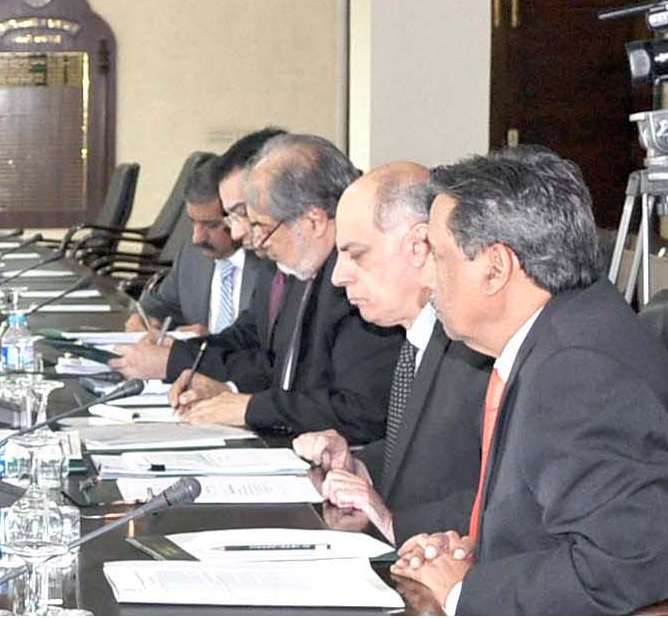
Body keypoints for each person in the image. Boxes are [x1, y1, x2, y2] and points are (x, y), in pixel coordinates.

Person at [391, 146, 668, 615]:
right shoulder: (566, 328)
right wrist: (475, 553)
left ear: (496, 268)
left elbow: (627, 564)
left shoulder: (577, 368)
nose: (427, 277)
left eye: (438, 256)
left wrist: (466, 592)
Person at [289, 162, 490, 543]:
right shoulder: (419, 337)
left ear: (419, 246)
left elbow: (497, 497)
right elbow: (423, 457)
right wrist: (357, 465)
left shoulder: (476, 349)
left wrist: (392, 522)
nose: (337, 276)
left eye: (357, 254)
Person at [163, 134, 402, 442]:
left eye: (263, 226)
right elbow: (279, 370)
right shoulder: (300, 270)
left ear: (313, 222)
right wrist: (228, 392)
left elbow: (361, 410)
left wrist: (249, 407)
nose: (255, 239)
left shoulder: (357, 287)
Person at [113, 128, 281, 380]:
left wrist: (200, 348)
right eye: (192, 222)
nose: (197, 238)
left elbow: (267, 358)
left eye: (212, 225)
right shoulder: (193, 256)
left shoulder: (273, 262)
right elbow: (155, 306)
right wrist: (144, 322)